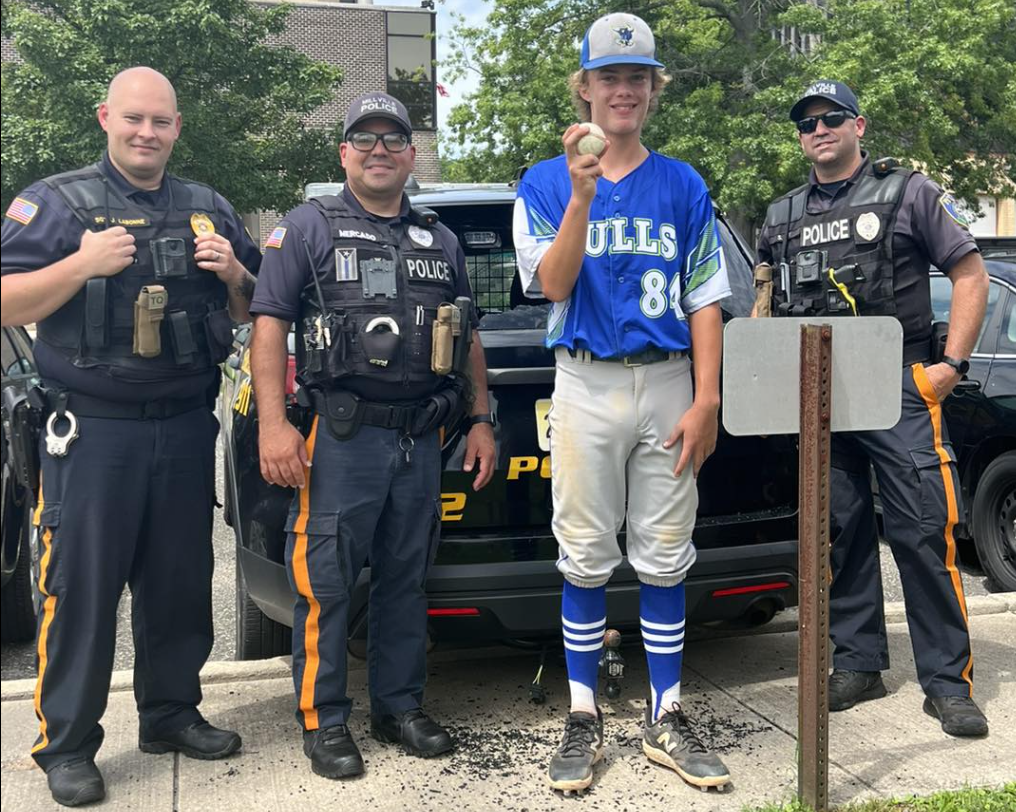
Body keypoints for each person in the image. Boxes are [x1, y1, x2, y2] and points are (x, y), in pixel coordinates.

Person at [0, 66, 260, 807]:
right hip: (91, 432)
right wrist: (81, 265)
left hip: (183, 426)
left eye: (161, 122)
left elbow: (246, 312)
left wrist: (237, 270)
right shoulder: (56, 203)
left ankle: (171, 715)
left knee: (179, 585)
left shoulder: (208, 207)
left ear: (178, 128)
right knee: (80, 589)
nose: (147, 133)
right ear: (105, 117)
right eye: (134, 119)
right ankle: (68, 745)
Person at [513, 13, 733, 795]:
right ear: (585, 87)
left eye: (637, 77)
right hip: (586, 379)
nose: (623, 90)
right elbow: (556, 284)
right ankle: (583, 714)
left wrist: (708, 397)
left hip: (669, 376)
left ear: (652, 88)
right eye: (609, 76)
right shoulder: (543, 182)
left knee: (667, 550)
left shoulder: (682, 181)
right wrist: (580, 197)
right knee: (583, 550)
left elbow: (706, 296)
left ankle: (666, 713)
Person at [249, 91, 496, 781]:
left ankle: (397, 708)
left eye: (394, 139)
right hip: (340, 437)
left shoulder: (438, 238)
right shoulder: (306, 227)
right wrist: (274, 424)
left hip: (421, 439)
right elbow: (268, 325)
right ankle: (324, 722)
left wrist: (480, 420)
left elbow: (466, 335)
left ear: (412, 155)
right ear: (345, 153)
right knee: (324, 583)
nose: (380, 149)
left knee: (404, 582)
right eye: (366, 139)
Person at [755, 80, 991, 737]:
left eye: (830, 118)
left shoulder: (907, 191)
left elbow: (969, 273)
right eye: (806, 123)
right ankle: (858, 663)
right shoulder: (781, 216)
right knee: (842, 531)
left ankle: (948, 684)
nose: (818, 130)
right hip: (821, 395)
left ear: (859, 125)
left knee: (922, 531)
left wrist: (952, 367)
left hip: (899, 384)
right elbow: (766, 307)